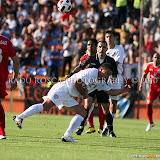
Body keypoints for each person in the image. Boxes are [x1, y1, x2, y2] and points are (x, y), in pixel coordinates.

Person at [13, 63, 130, 143]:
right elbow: (77, 82)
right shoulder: (92, 72)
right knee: (46, 106)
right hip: (63, 89)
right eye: (106, 73)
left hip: (68, 95)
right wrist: (85, 95)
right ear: (101, 70)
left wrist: (121, 91)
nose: (107, 76)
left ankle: (67, 135)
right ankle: (20, 117)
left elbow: (111, 91)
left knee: (83, 113)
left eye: (109, 75)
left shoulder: (100, 81)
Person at [67, 41, 118, 137]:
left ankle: (110, 131)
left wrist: (113, 78)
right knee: (88, 104)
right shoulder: (91, 58)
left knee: (106, 110)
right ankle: (81, 126)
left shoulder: (110, 60)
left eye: (103, 47)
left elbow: (114, 73)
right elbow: (80, 67)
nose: (101, 49)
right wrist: (70, 74)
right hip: (91, 86)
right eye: (100, 47)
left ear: (107, 49)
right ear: (97, 48)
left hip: (102, 86)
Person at [78, 39, 106, 134]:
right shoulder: (83, 58)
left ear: (96, 47)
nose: (90, 47)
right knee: (88, 103)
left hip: (100, 83)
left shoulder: (99, 58)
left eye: (92, 45)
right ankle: (90, 125)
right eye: (88, 45)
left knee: (101, 104)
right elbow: (81, 69)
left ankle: (101, 127)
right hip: (88, 84)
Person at [101, 30, 124, 137]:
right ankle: (86, 123)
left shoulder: (119, 49)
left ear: (114, 38)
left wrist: (111, 74)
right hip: (104, 77)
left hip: (116, 77)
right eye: (107, 37)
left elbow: (115, 63)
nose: (109, 38)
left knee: (113, 103)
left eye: (110, 36)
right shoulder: (102, 49)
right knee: (99, 100)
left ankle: (107, 127)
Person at [0, 35, 19, 139]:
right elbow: (16, 61)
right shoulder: (6, 41)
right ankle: (2, 132)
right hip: (2, 76)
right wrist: (14, 80)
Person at [139, 53, 160, 131]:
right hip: (153, 88)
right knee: (148, 103)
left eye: (158, 58)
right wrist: (141, 84)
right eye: (155, 57)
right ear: (152, 58)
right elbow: (144, 75)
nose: (156, 59)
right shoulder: (149, 65)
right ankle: (150, 122)